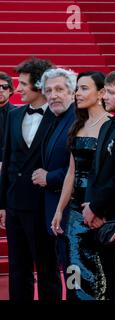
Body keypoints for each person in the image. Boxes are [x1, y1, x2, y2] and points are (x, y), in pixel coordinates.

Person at [0, 58, 61, 300]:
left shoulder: (59, 117)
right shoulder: (14, 116)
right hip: (15, 204)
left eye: (23, 84)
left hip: (43, 205)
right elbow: (8, 160)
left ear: (39, 86)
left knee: (47, 268)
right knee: (17, 268)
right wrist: (2, 203)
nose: (18, 89)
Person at [51, 71, 110, 300]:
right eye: (77, 88)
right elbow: (71, 173)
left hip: (101, 209)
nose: (77, 93)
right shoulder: (78, 125)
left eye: (84, 88)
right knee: (75, 269)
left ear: (101, 93)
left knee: (101, 273)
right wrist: (59, 209)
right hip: (75, 211)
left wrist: (100, 207)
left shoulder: (111, 124)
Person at [83, 69, 115, 300]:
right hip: (99, 217)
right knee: (107, 284)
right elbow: (95, 171)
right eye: (106, 92)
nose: (105, 97)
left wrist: (97, 208)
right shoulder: (107, 126)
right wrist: (91, 206)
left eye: (111, 92)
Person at [37, 68, 77, 280]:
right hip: (56, 212)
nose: (53, 95)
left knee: (78, 274)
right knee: (68, 272)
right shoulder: (55, 119)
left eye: (60, 89)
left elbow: (82, 166)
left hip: (73, 213)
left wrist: (49, 177)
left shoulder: (78, 120)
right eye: (49, 91)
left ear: (73, 92)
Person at [0, 72, 16, 171]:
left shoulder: (18, 114)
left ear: (10, 90)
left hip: (10, 168)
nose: (0, 90)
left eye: (4, 87)